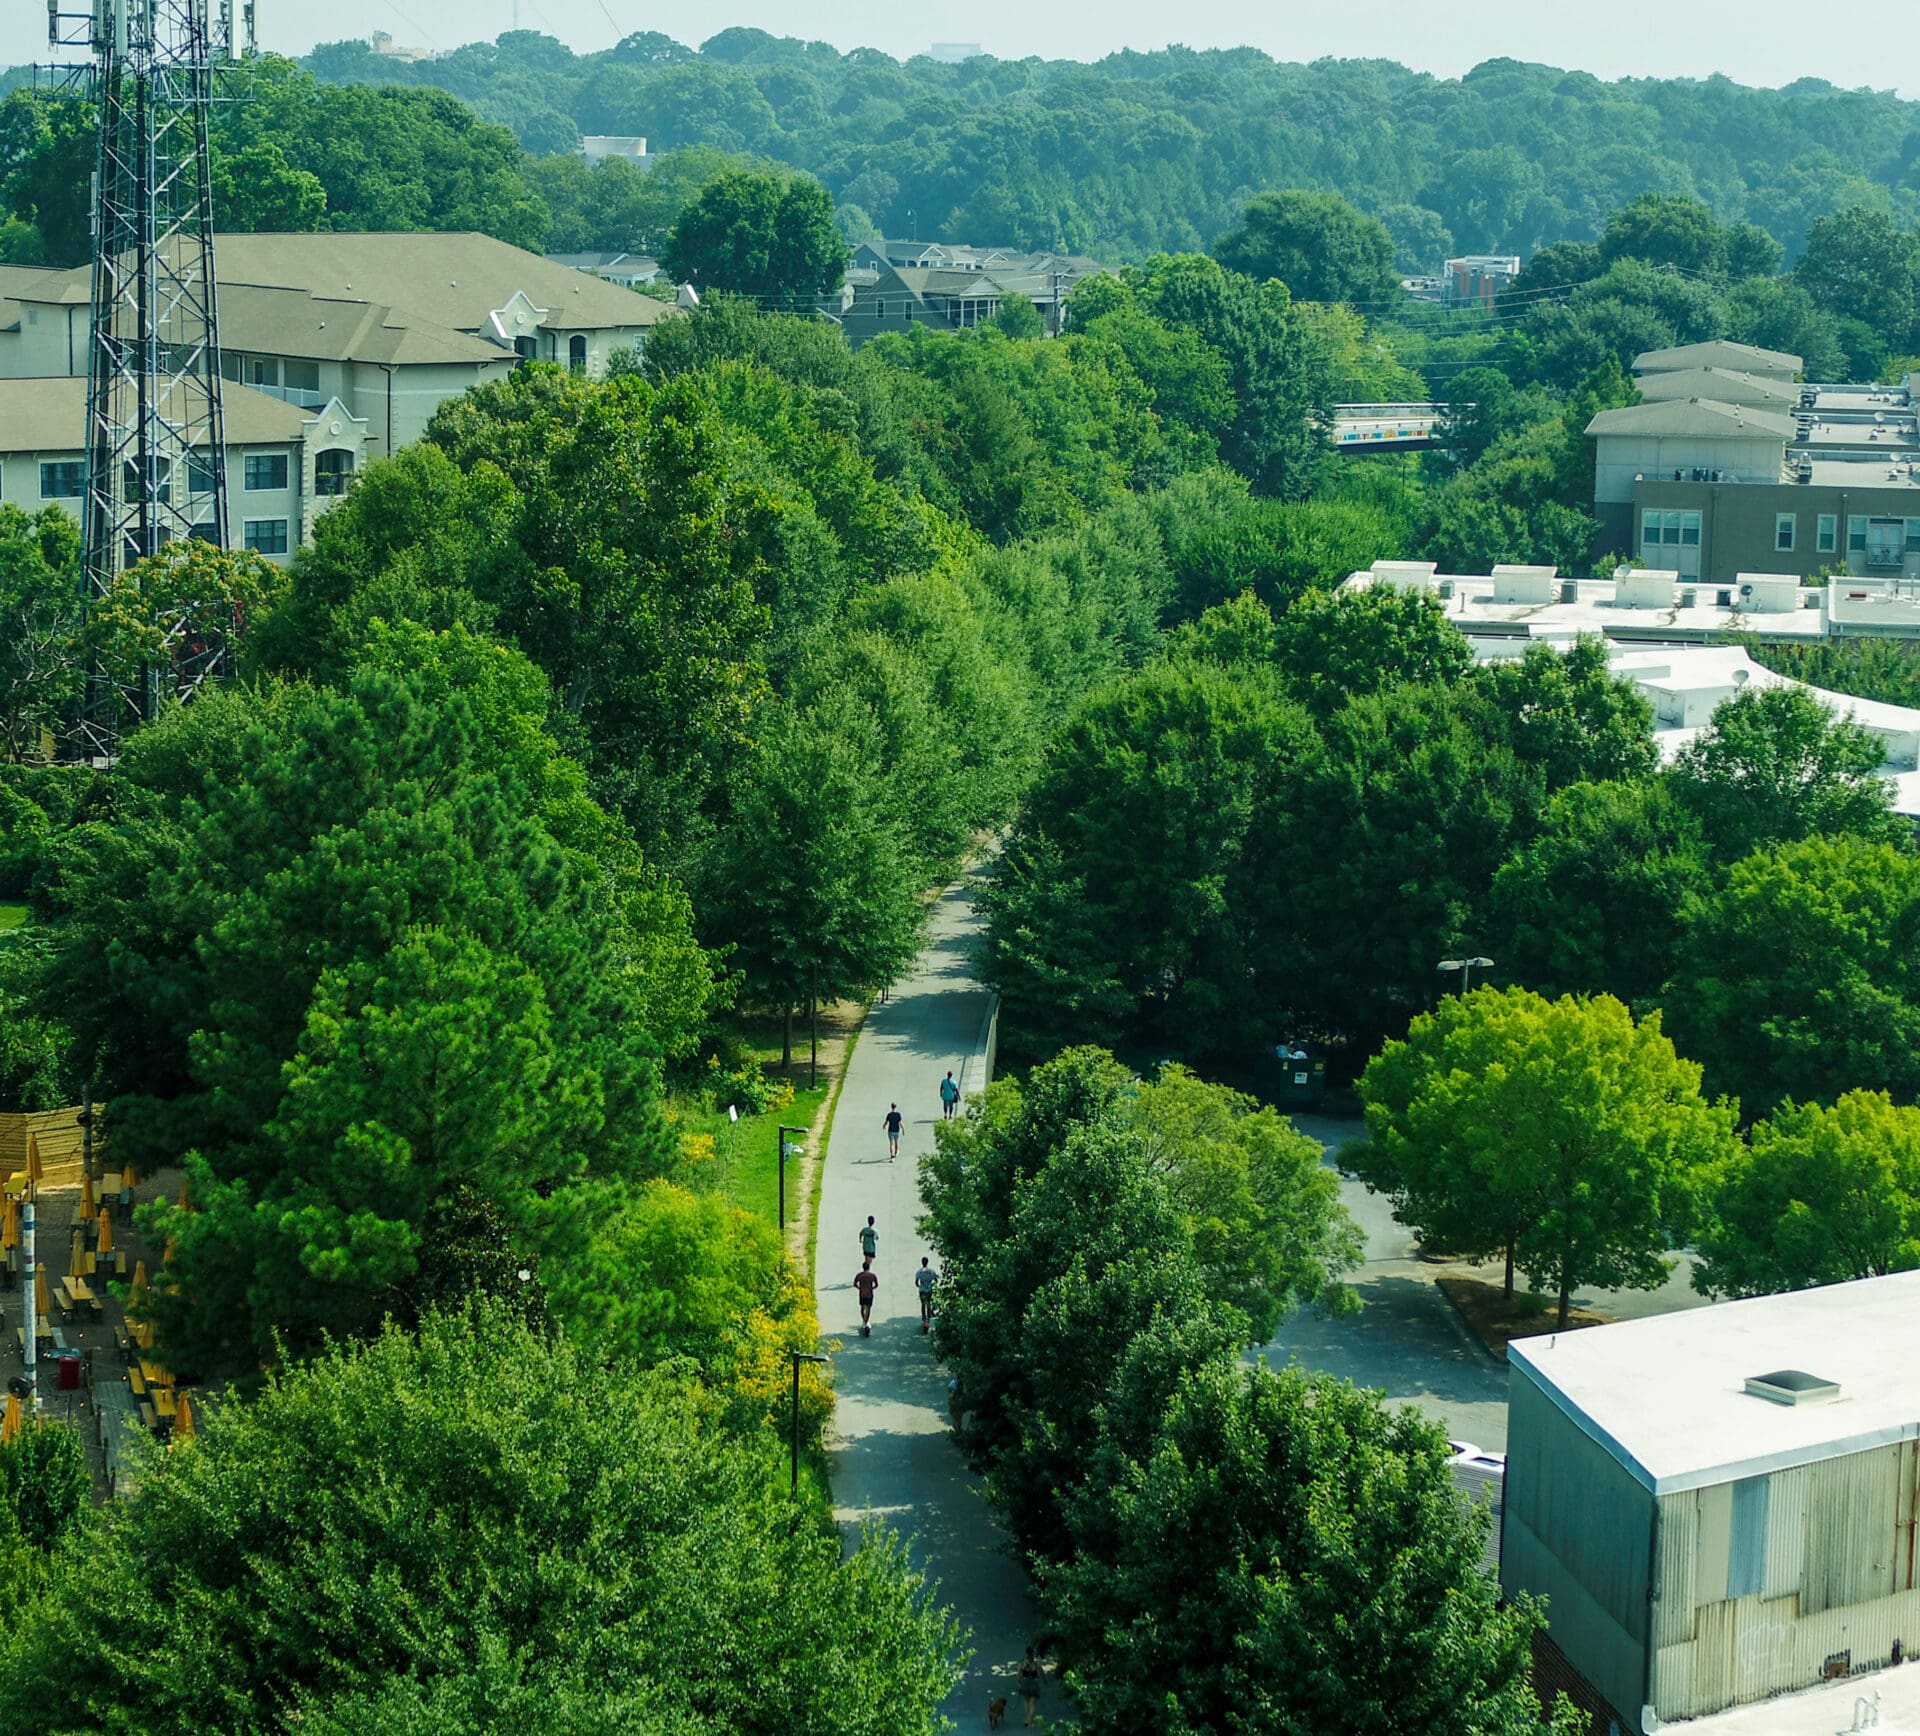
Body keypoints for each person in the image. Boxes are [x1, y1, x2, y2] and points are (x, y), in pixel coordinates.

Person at [1017, 1650, 1042, 1727]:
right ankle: (1030, 1723)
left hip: (1025, 1684)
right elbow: (1039, 1675)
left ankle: (1027, 1719)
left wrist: (1019, 1684)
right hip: (1033, 1685)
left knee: (1026, 1703)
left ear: (1026, 1654)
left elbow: (1018, 1675)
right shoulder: (1036, 1664)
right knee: (1032, 1705)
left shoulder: (1022, 1663)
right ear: (1033, 1655)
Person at [854, 1259, 878, 1336]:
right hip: (869, 1294)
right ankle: (866, 1321)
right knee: (868, 1308)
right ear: (869, 1267)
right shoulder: (872, 1275)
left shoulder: (859, 1275)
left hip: (862, 1294)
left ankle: (864, 1321)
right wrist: (872, 1288)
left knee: (862, 1307)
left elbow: (855, 1284)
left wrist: (859, 1288)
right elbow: (876, 1285)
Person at [914, 1256, 937, 1331]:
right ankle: (928, 1319)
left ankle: (924, 1319)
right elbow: (935, 1280)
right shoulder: (931, 1271)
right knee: (929, 1303)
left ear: (922, 1262)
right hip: (929, 1289)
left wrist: (920, 1286)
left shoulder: (919, 1272)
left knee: (923, 1304)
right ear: (927, 1262)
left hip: (922, 1290)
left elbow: (916, 1283)